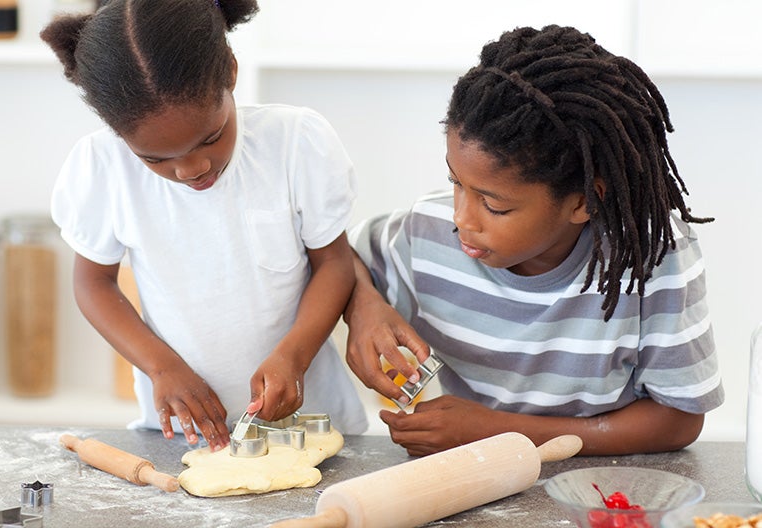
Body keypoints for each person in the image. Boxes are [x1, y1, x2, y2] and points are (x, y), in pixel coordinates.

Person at [345, 24, 723, 456]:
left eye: (495, 206)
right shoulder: (425, 231)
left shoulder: (654, 256)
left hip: (607, 493)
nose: (462, 219)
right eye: (455, 182)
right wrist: (366, 311)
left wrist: (496, 431)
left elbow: (677, 421)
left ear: (585, 201)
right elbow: (343, 257)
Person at [40, 0, 368, 451]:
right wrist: (162, 368)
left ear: (231, 71)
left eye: (210, 138)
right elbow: (93, 284)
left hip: (313, 425)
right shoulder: (102, 167)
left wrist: (294, 355)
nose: (191, 169)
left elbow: (334, 265)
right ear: (115, 130)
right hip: (183, 436)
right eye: (155, 158)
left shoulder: (295, 143)